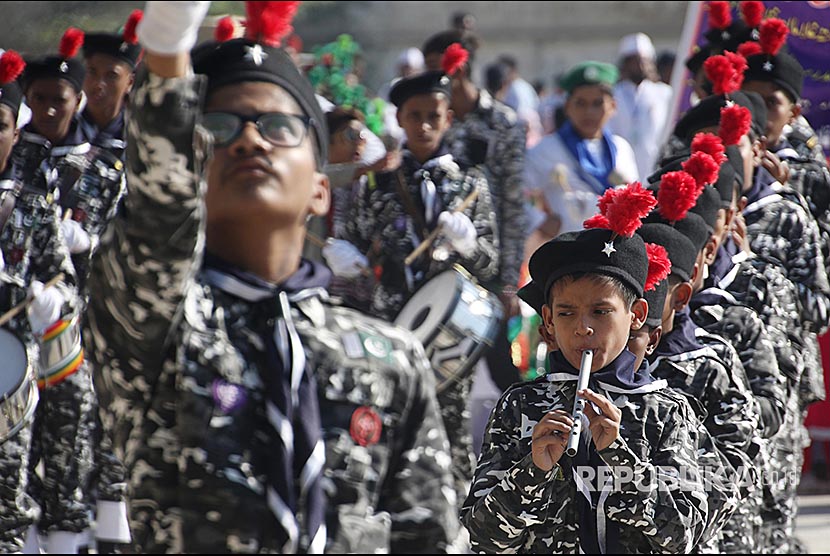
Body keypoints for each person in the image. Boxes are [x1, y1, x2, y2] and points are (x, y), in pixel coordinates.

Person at [84, 2, 460, 552]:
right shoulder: (162, 326)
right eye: (217, 126)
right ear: (191, 169)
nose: (250, 141)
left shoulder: (390, 357)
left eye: (281, 127)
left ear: (320, 187)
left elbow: (424, 533)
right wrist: (168, 40)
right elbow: (154, 217)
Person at [462, 190, 712, 553]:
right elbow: (485, 538)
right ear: (547, 322)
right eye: (566, 314)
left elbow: (685, 537)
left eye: (601, 312)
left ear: (637, 315)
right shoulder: (520, 406)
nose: (583, 328)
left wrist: (620, 457)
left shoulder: (665, 410)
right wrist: (534, 470)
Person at [421, 30, 527, 391]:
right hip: (444, 259)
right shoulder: (434, 122)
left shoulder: (503, 123)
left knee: (502, 368)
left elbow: (514, 206)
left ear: (460, 69)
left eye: (440, 69)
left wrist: (510, 281)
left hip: (489, 260)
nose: (434, 80)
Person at [524, 60, 638, 238]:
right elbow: (515, 192)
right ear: (567, 107)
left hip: (614, 249)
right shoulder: (546, 148)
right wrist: (538, 220)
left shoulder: (621, 148)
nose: (589, 112)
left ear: (613, 106)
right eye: (580, 103)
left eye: (597, 103)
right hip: (567, 251)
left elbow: (635, 196)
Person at [606, 32, 674, 181]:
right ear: (625, 64)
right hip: (622, 168)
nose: (641, 66)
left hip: (656, 165)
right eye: (635, 61)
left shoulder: (664, 93)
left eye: (644, 61)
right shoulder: (612, 95)